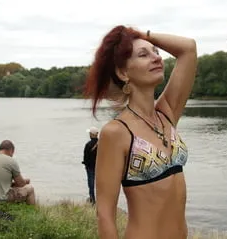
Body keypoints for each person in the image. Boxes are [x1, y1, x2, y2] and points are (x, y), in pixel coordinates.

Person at [84, 26, 197, 239]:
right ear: (123, 72)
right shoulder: (116, 132)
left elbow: (188, 49)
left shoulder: (167, 114)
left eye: (156, 52)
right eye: (143, 54)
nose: (156, 58)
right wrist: (128, 39)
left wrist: (140, 35)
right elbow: (105, 214)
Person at [82, 126, 99, 204]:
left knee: (91, 184)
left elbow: (85, 157)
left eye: (90, 133)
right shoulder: (102, 144)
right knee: (100, 184)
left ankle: (92, 199)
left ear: (92, 134)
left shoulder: (88, 144)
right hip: (100, 167)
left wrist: (85, 164)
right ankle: (101, 199)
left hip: (90, 167)